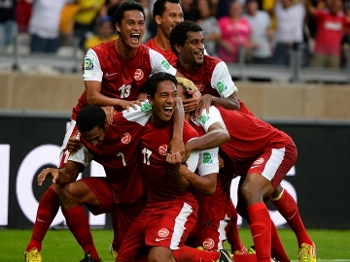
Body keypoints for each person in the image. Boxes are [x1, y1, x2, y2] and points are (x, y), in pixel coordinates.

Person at [24, 1, 183, 261]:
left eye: (140, 23)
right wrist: (120, 105)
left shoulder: (150, 57)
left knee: (129, 178)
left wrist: (177, 114)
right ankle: (34, 247)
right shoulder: (97, 54)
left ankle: (124, 241)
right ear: (118, 27)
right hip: (90, 125)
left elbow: (173, 87)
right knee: (64, 182)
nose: (137, 28)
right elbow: (92, 96)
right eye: (130, 23)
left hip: (125, 121)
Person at [182, 95, 316, 262]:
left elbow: (225, 125)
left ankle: (301, 243)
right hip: (243, 160)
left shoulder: (206, 113)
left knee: (251, 190)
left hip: (275, 145)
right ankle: (283, 258)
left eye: (177, 96)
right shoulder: (189, 126)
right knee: (245, 207)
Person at [116, 72, 234, 262]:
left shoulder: (196, 131)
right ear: (150, 101)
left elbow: (184, 186)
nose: (171, 101)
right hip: (150, 206)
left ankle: (216, 258)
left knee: (159, 257)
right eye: (164, 95)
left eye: (175, 96)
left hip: (178, 203)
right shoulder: (142, 121)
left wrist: (177, 168)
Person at [36, 103, 153, 262]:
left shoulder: (129, 117)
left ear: (106, 124)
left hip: (145, 197)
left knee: (153, 255)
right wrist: (56, 173)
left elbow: (162, 100)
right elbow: (69, 174)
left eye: (97, 138)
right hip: (116, 193)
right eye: (90, 139)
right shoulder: (83, 142)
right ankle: (93, 257)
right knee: (67, 192)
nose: (95, 143)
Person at [176, 77, 247, 256]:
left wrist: (190, 151)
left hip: (207, 210)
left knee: (210, 254)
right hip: (180, 207)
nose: (171, 102)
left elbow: (210, 186)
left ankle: (261, 258)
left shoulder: (205, 123)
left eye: (176, 97)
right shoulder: (158, 123)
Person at [169, 20, 254, 117]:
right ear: (179, 47)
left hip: (242, 121)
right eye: (194, 42)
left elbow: (235, 104)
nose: (201, 47)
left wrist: (211, 99)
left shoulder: (215, 67)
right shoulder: (171, 72)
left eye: (202, 42)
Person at [306, 0, 349, 68]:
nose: (336, 7)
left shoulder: (343, 18)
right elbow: (311, 10)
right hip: (320, 52)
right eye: (335, 5)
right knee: (314, 75)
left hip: (334, 54)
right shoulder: (323, 14)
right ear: (331, 5)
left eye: (338, 6)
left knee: (332, 77)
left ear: (341, 8)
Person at [145, 0, 184, 64]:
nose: (179, 20)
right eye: (173, 15)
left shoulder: (187, 49)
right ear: (158, 19)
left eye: (181, 16)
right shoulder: (146, 53)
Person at [271, 0, 306, 66]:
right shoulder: (278, 8)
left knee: (295, 71)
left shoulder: (299, 9)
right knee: (278, 72)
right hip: (280, 45)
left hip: (295, 46)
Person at [243, 0, 274, 64]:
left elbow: (270, 30)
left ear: (257, 5)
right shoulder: (244, 18)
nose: (251, 6)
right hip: (251, 54)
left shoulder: (264, 15)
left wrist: (270, 34)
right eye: (249, 4)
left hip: (265, 52)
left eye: (253, 4)